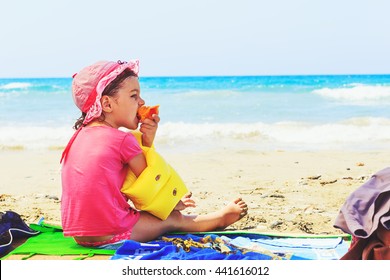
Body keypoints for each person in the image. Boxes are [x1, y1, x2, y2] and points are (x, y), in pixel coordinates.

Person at [60, 59, 248, 247]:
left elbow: (121, 176)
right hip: (112, 231)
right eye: (134, 96)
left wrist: (146, 140)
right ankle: (220, 218)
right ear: (107, 104)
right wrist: (173, 204)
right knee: (174, 219)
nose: (142, 102)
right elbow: (149, 185)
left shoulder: (78, 137)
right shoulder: (123, 141)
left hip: (81, 235)